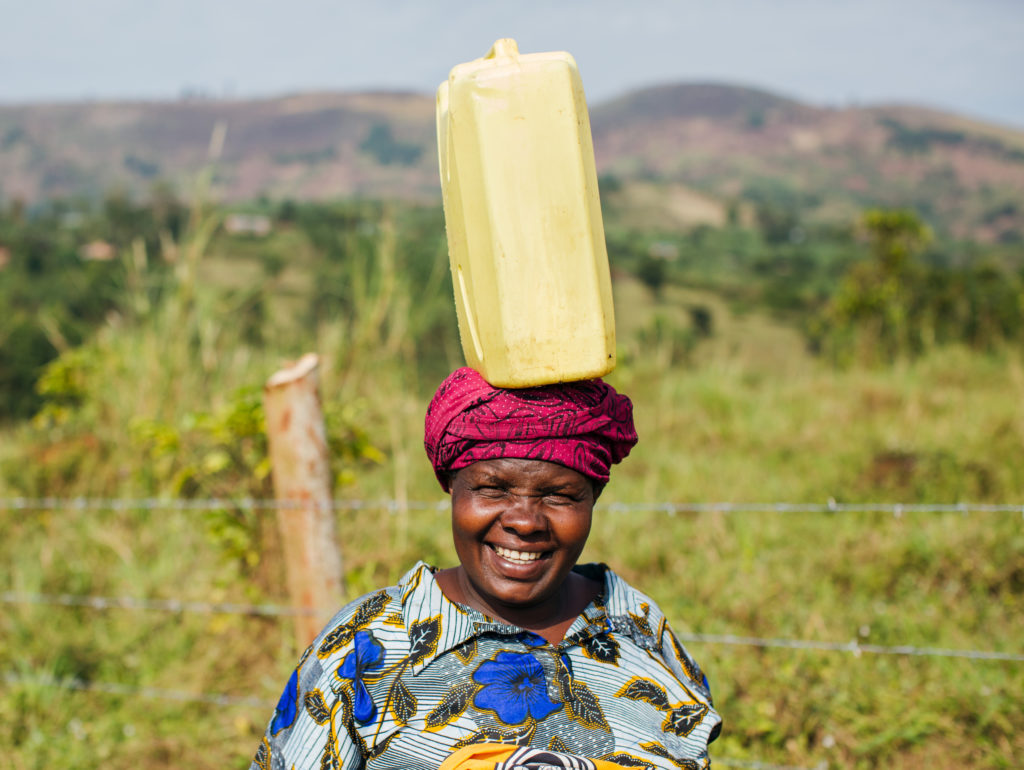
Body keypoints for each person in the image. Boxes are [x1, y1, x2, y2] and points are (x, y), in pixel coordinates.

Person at [251, 367, 721, 770]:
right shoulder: (370, 645)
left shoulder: (634, 624)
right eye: (493, 489)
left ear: (592, 500)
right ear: (452, 487)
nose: (524, 521)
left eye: (559, 496)